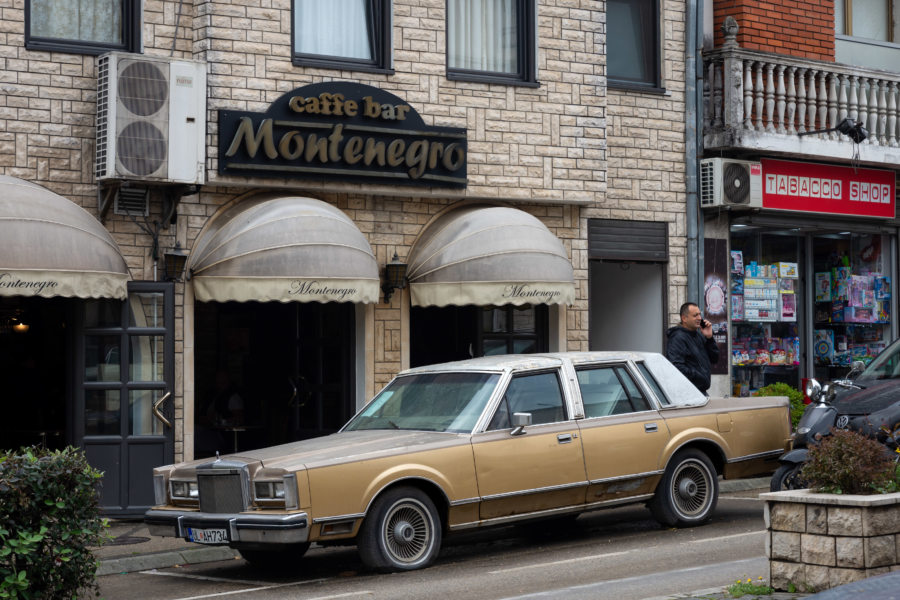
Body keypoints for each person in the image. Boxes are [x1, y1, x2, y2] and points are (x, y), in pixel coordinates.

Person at [666, 302, 719, 394]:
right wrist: (701, 378)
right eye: (695, 315)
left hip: (700, 392)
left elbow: (714, 359)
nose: (699, 318)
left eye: (699, 314)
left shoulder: (699, 335)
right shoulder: (678, 338)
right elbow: (676, 367)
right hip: (686, 394)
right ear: (684, 318)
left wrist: (709, 338)